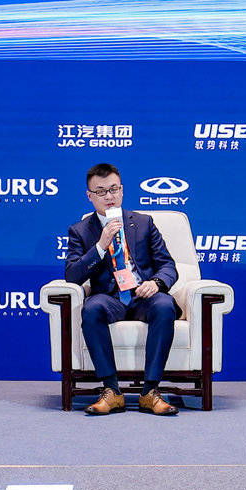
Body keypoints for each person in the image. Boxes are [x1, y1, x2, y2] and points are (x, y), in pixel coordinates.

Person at [64, 163, 180, 416]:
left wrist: (156, 283)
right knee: (91, 308)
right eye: (101, 191)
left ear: (122, 190)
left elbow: (167, 265)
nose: (109, 196)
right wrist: (100, 246)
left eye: (114, 189)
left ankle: (150, 391)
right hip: (110, 299)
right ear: (90, 196)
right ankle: (112, 391)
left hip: (143, 296)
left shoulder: (143, 223)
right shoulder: (80, 231)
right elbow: (72, 276)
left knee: (164, 304)